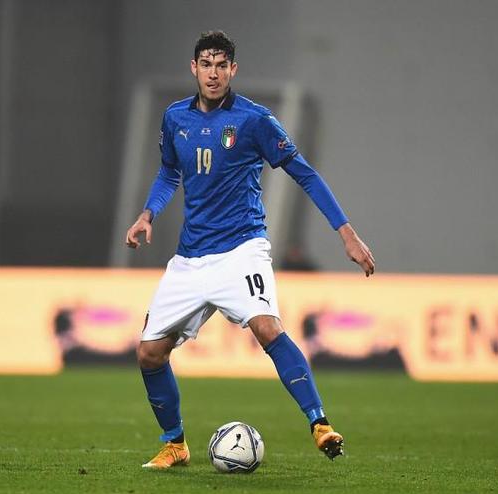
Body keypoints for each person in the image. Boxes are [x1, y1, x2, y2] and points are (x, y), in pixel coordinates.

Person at [125, 30, 375, 469]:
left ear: (233, 70)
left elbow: (305, 173)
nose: (214, 73)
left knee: (267, 327)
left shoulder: (254, 120)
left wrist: (346, 233)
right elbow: (168, 173)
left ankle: (319, 424)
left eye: (222, 65)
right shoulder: (175, 118)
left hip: (241, 249)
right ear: (194, 68)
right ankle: (175, 444)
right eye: (206, 64)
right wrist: (148, 214)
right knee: (149, 353)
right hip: (190, 257)